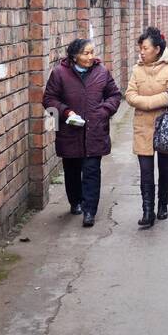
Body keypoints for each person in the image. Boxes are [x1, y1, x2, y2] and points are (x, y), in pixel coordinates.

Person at [42, 38, 122, 227]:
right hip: (70, 131)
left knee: (92, 171)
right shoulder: (59, 74)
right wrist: (66, 112)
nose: (90, 57)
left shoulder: (102, 72)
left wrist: (104, 111)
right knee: (72, 171)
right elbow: (48, 99)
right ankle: (75, 201)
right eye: (86, 53)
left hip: (95, 131)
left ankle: (89, 211)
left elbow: (115, 95)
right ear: (74, 56)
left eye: (92, 52)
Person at [125, 26, 168, 227]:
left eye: (145, 48)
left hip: (165, 125)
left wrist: (146, 102)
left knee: (164, 170)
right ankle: (147, 211)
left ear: (157, 49)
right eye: (140, 47)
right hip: (142, 126)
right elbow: (129, 95)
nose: (141, 51)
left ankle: (162, 205)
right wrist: (155, 101)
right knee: (146, 171)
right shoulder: (137, 69)